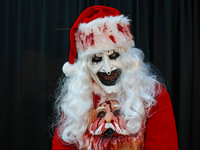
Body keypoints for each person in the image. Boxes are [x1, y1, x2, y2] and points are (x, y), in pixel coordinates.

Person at [52, 5, 178, 150]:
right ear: (85, 66)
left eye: (114, 56)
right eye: (96, 60)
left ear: (128, 57)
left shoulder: (151, 95)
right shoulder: (76, 100)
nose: (107, 68)